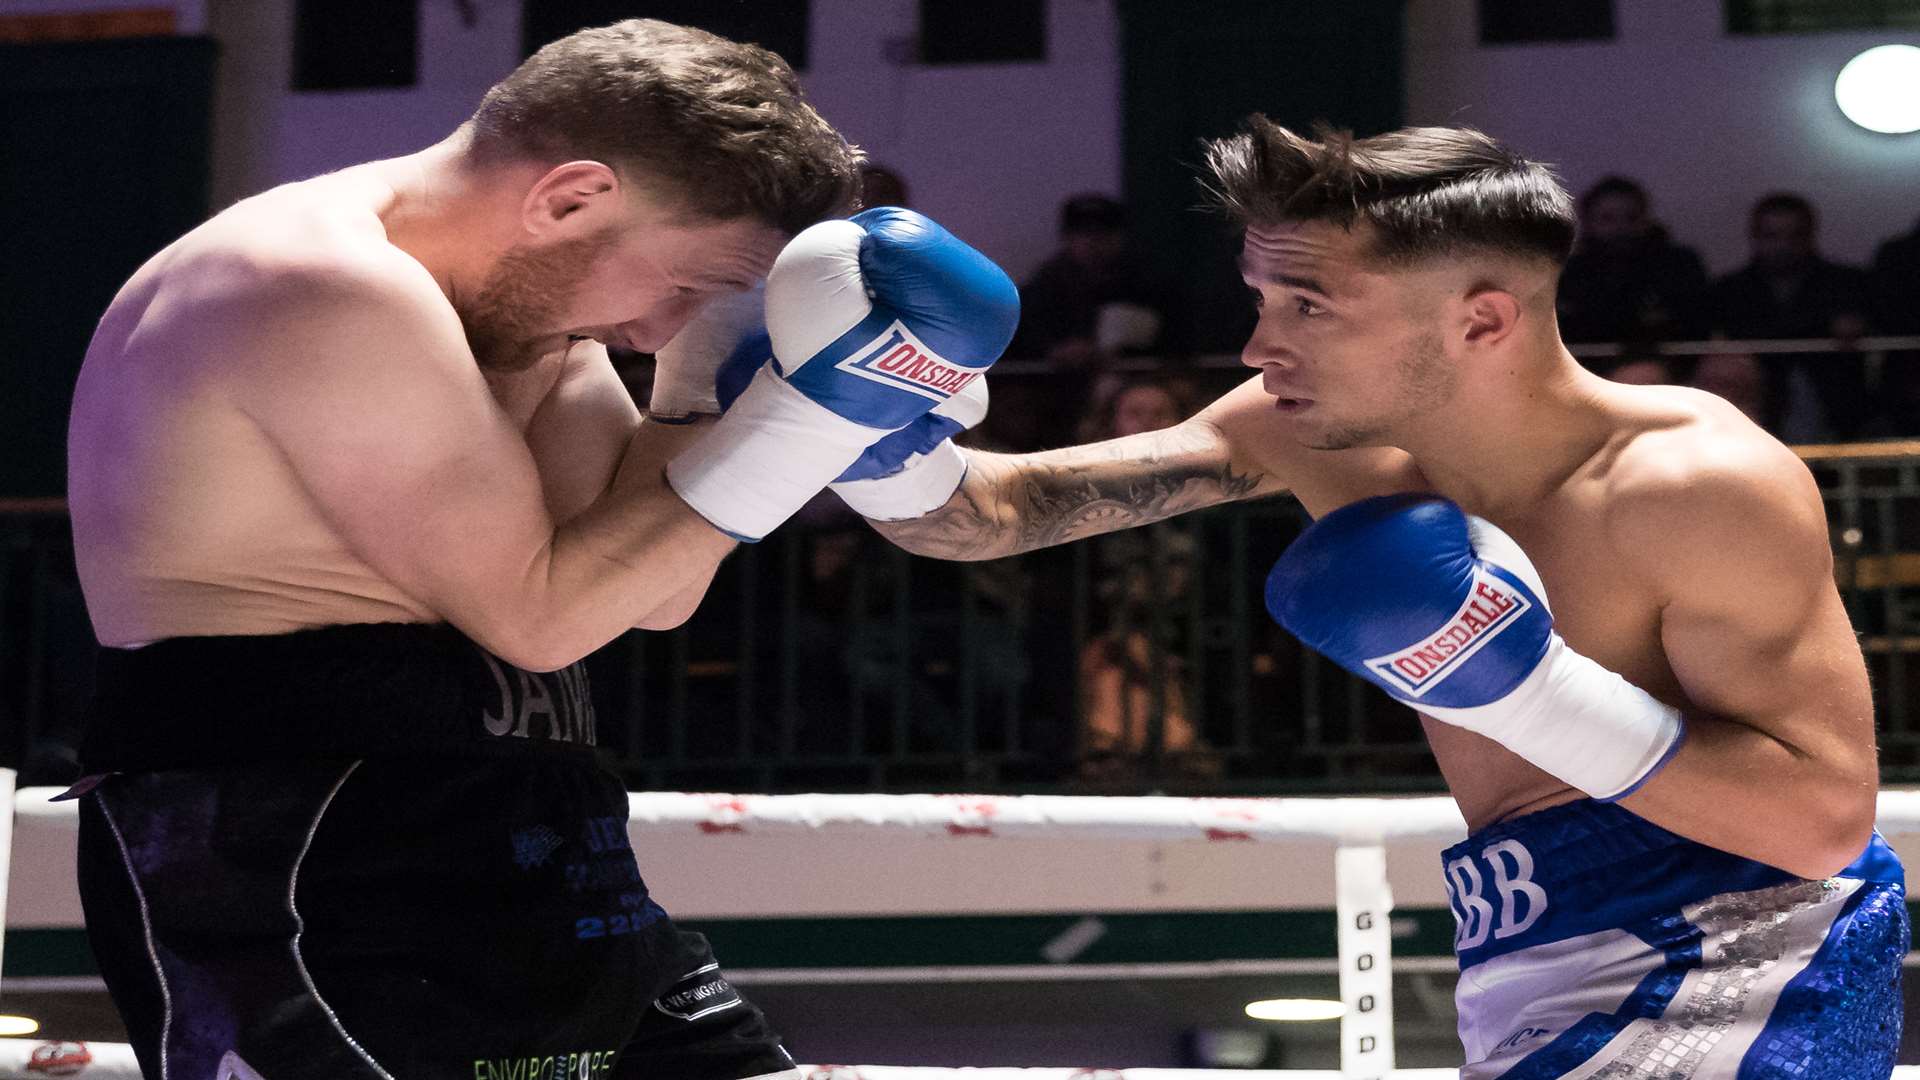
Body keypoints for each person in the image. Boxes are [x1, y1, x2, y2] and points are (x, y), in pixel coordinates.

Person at [62, 18, 1017, 1080]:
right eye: (687, 286)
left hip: (537, 837)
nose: (659, 333)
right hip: (301, 863)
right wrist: (817, 419)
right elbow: (542, 614)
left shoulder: (528, 318)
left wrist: (708, 380)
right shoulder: (316, 284)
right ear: (570, 198)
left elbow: (645, 592)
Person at [860, 122, 1904, 1077]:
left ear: (1481, 320)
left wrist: (1527, 693)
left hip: (1751, 941)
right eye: (1262, 301)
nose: (1260, 348)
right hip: (1523, 937)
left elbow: (1816, 824)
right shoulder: (1305, 429)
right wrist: (858, 422)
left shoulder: (1692, 483)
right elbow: (988, 517)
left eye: (1308, 306)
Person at [1708, 193, 1875, 440]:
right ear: (1754, 237)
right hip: (1756, 404)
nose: (1783, 246)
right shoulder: (1729, 290)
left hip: (1837, 404)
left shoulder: (1848, 284)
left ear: (1810, 235)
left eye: (1795, 235)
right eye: (1771, 236)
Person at [1555, 176, 1709, 348]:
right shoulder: (1569, 273)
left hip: (1664, 365)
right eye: (1607, 219)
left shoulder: (1678, 266)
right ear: (1588, 222)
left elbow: (1695, 327)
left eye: (1631, 218)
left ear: (1646, 220)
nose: (1620, 228)